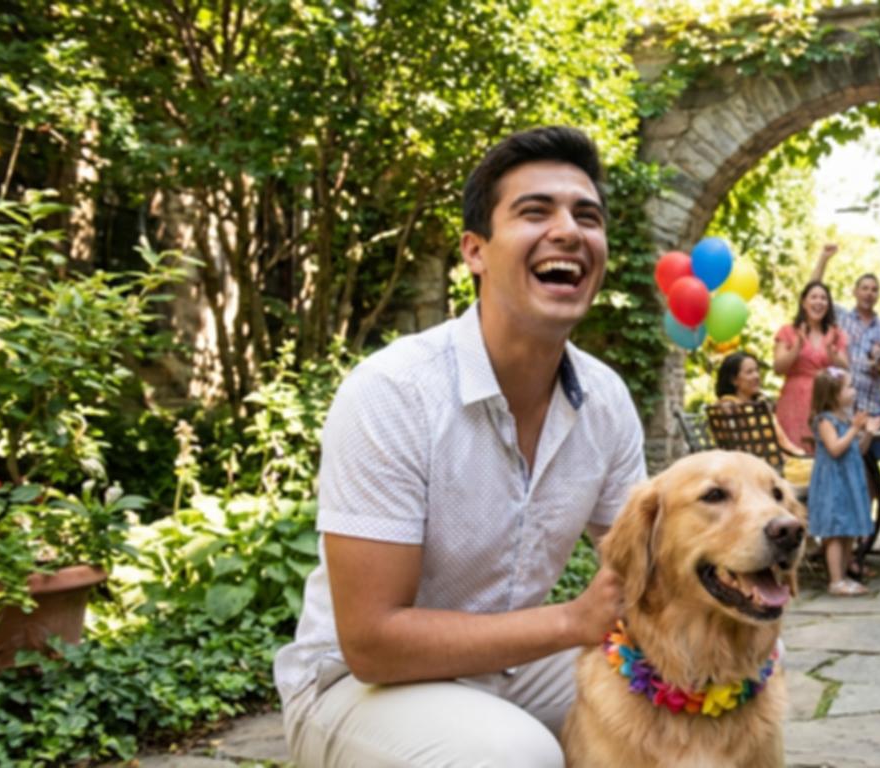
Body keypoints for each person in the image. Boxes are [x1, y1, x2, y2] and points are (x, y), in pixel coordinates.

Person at [273, 127, 647, 768]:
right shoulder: (395, 391)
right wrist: (569, 622)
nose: (568, 231)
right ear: (475, 251)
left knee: (680, 689)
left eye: (587, 216)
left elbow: (646, 561)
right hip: (357, 688)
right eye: (536, 212)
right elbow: (372, 643)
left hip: (512, 668)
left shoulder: (605, 400)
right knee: (513, 757)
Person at [809, 242, 880, 428]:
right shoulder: (839, 317)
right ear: (855, 292)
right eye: (864, 288)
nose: (869, 293)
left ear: (878, 295)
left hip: (871, 410)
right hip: (839, 409)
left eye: (874, 290)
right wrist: (824, 259)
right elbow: (813, 290)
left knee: (870, 449)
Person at [806, 368, 875, 597]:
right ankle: (835, 580)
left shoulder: (845, 419)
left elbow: (858, 449)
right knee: (835, 532)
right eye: (849, 387)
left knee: (848, 531)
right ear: (833, 395)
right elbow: (835, 449)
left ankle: (844, 576)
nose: (854, 391)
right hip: (833, 483)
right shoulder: (825, 420)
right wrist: (854, 428)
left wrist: (868, 433)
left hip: (849, 481)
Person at [714, 350, 813, 486]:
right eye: (749, 372)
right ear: (734, 380)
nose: (756, 376)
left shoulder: (759, 405)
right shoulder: (728, 405)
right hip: (760, 467)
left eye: (756, 370)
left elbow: (783, 443)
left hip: (780, 461)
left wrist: (799, 454)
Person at [773, 281, 849, 451]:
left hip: (826, 398)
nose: (819, 302)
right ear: (804, 302)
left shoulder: (835, 332)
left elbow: (845, 366)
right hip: (794, 400)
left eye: (823, 298)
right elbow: (778, 368)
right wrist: (797, 347)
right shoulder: (788, 331)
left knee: (826, 448)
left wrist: (830, 350)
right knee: (795, 451)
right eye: (814, 297)